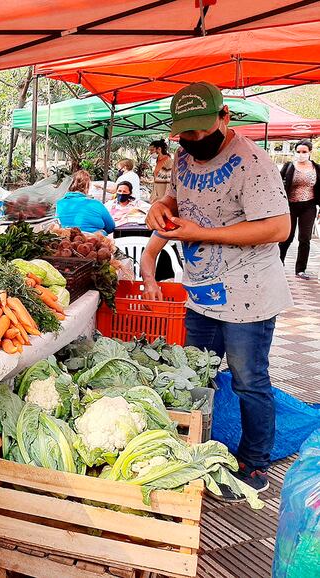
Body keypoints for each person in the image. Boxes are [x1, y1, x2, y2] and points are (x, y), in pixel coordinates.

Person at [141, 82, 291, 500]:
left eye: (200, 131)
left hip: (250, 294)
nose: (192, 142)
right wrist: (162, 209)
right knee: (194, 375)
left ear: (224, 118)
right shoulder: (182, 159)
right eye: (185, 134)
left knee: (248, 381)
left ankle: (254, 463)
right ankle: (194, 452)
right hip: (202, 293)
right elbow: (177, 200)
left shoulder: (253, 163)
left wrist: (203, 232)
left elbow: (280, 228)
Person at [278, 140, 320, 279]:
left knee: (305, 238)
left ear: (309, 153)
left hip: (309, 206)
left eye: (304, 152)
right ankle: (279, 263)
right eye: (298, 152)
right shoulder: (289, 166)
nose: (301, 154)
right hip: (290, 206)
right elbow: (278, 183)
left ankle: (301, 269)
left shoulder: (316, 168)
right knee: (287, 237)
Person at [149, 139, 173, 203]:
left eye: (152, 150)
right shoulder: (158, 161)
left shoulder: (169, 162)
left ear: (159, 149)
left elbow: (169, 182)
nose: (150, 152)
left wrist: (165, 199)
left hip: (164, 196)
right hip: (156, 195)